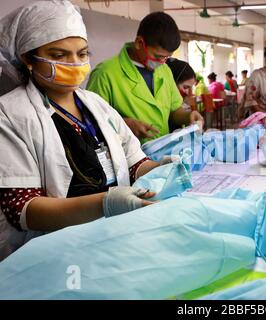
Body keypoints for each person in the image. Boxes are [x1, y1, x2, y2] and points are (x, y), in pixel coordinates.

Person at [0, 1, 166, 259]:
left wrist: (163, 167)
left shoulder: (96, 105)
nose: (75, 63)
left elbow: (134, 163)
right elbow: (23, 208)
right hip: (53, 252)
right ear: (27, 58)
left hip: (111, 238)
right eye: (58, 55)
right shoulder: (11, 114)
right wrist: (104, 203)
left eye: (82, 53)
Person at [87, 12, 203, 142]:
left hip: (162, 152)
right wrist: (124, 124)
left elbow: (174, 110)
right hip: (128, 157)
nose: (162, 62)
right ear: (139, 43)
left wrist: (189, 116)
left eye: (166, 58)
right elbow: (90, 121)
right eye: (158, 56)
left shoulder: (165, 71)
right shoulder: (105, 73)